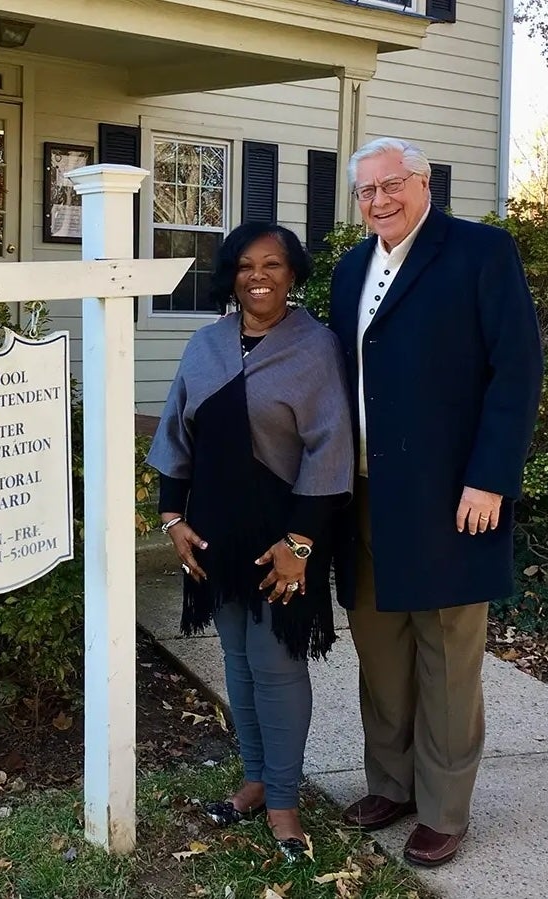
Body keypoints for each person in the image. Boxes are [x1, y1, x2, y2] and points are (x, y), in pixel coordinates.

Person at [328, 138, 543, 867]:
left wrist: (490, 476)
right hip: (362, 493)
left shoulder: (481, 253)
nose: (379, 201)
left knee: (447, 655)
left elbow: (514, 369)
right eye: (366, 191)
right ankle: (391, 783)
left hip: (453, 496)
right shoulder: (350, 268)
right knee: (379, 649)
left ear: (423, 184)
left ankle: (444, 808)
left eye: (392, 185)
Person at [148, 222, 353, 861]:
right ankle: (258, 780)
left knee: (277, 666)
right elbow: (176, 437)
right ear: (229, 276)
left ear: (293, 274)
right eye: (244, 265)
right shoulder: (205, 344)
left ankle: (286, 803)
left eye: (273, 264)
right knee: (236, 661)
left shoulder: (315, 347)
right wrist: (171, 520)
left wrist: (302, 544)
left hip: (282, 539)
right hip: (210, 536)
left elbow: (331, 447)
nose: (257, 275)